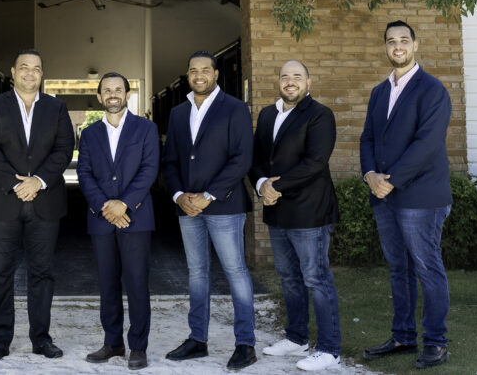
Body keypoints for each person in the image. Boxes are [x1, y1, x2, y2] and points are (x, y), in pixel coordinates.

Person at [360, 20, 453, 369]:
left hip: (420, 196)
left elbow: (427, 144)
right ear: (385, 47)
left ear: (415, 44)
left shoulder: (432, 89)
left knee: (427, 267)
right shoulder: (379, 92)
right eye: (390, 41)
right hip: (384, 195)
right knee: (399, 269)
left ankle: (436, 341)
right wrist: (370, 175)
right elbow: (368, 137)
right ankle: (402, 335)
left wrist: (392, 180)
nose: (397, 46)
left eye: (403, 40)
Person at [0, 49, 75, 362]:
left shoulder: (57, 107)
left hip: (45, 201)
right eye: (24, 68)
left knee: (42, 273)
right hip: (3, 200)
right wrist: (17, 183)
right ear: (13, 72)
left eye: (36, 69)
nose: (30, 73)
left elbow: (64, 148)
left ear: (42, 74)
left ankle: (41, 339)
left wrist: (38, 181)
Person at [161, 50, 257, 372]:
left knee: (235, 272)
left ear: (216, 74)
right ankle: (197, 340)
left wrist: (208, 195)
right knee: (197, 274)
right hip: (187, 209)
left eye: (205, 70)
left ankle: (245, 344)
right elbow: (171, 161)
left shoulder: (235, 108)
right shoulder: (177, 113)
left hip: (224, 206)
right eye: (193, 70)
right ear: (187, 75)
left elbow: (241, 159)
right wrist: (178, 196)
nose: (199, 75)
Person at [250, 61, 341, 371]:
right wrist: (262, 184)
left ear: (308, 82)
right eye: (285, 76)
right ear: (278, 81)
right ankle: (297, 337)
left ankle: (329, 349)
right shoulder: (267, 115)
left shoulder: (319, 115)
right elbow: (257, 159)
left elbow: (315, 162)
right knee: (289, 279)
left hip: (309, 212)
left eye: (297, 77)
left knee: (316, 279)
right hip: (277, 212)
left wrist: (275, 186)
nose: (290, 82)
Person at [76, 73, 159, 371]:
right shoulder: (89, 133)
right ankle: (113, 342)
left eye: (118, 90)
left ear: (127, 94)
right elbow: (83, 173)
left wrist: (123, 203)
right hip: (101, 220)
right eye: (107, 90)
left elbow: (149, 169)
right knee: (107, 283)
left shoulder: (145, 129)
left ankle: (138, 346)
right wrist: (103, 205)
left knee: (137, 283)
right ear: (99, 97)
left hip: (135, 218)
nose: (113, 94)